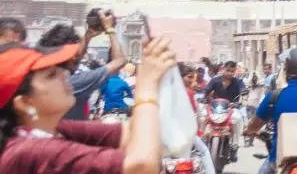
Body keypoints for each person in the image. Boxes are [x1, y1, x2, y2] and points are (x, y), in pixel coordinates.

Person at [0, 35, 176, 174]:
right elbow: (141, 166)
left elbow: (130, 133)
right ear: (24, 102)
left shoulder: (52, 130)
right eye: (51, 75)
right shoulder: (29, 150)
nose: (64, 74)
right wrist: (146, 87)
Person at [37, 12, 126, 122]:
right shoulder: (75, 82)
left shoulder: (42, 78)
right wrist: (110, 29)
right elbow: (119, 61)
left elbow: (75, 57)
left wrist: (88, 35)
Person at [203, 60, 247, 161]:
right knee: (202, 116)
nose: (230, 73)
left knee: (238, 118)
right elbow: (207, 89)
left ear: (235, 71)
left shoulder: (238, 82)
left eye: (232, 71)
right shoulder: (215, 80)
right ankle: (203, 139)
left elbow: (243, 90)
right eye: (228, 70)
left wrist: (242, 98)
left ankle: (234, 145)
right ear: (223, 69)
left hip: (231, 108)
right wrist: (204, 97)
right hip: (215, 108)